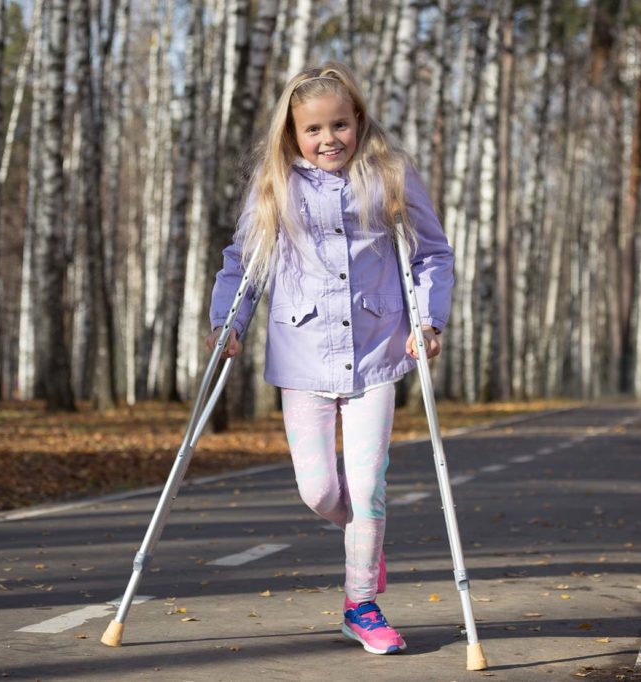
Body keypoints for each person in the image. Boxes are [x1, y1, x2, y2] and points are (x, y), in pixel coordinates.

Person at [205, 62, 454, 655]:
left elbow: (431, 253)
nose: (329, 139)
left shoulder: (389, 174)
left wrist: (429, 319)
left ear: (358, 121)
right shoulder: (274, 184)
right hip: (303, 356)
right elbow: (244, 264)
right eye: (313, 130)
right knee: (319, 491)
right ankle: (365, 540)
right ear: (293, 135)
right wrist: (228, 322)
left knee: (367, 489)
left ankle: (361, 603)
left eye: (340, 124)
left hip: (377, 352)